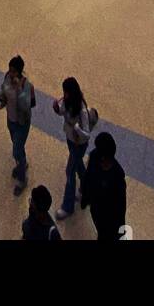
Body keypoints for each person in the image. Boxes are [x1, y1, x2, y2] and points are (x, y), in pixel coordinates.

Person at [53, 77, 96, 219]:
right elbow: (63, 112)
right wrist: (57, 109)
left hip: (79, 144)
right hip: (70, 140)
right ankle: (87, 188)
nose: (64, 95)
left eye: (66, 92)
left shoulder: (82, 110)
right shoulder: (68, 102)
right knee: (78, 166)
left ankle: (68, 206)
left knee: (70, 171)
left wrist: (77, 130)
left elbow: (87, 134)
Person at [0, 55, 36, 195]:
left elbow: (26, 105)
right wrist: (1, 96)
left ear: (19, 71)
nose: (10, 74)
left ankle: (22, 179)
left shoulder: (26, 85)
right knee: (17, 145)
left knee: (16, 150)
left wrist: (18, 89)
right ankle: (22, 164)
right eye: (9, 70)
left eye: (13, 71)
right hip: (11, 119)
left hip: (22, 122)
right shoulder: (7, 78)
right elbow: (4, 89)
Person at [81, 131, 127, 242]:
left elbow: (120, 207)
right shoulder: (94, 157)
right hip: (96, 211)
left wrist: (121, 229)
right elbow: (88, 177)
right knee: (101, 231)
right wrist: (85, 197)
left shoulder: (117, 176)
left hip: (110, 219)